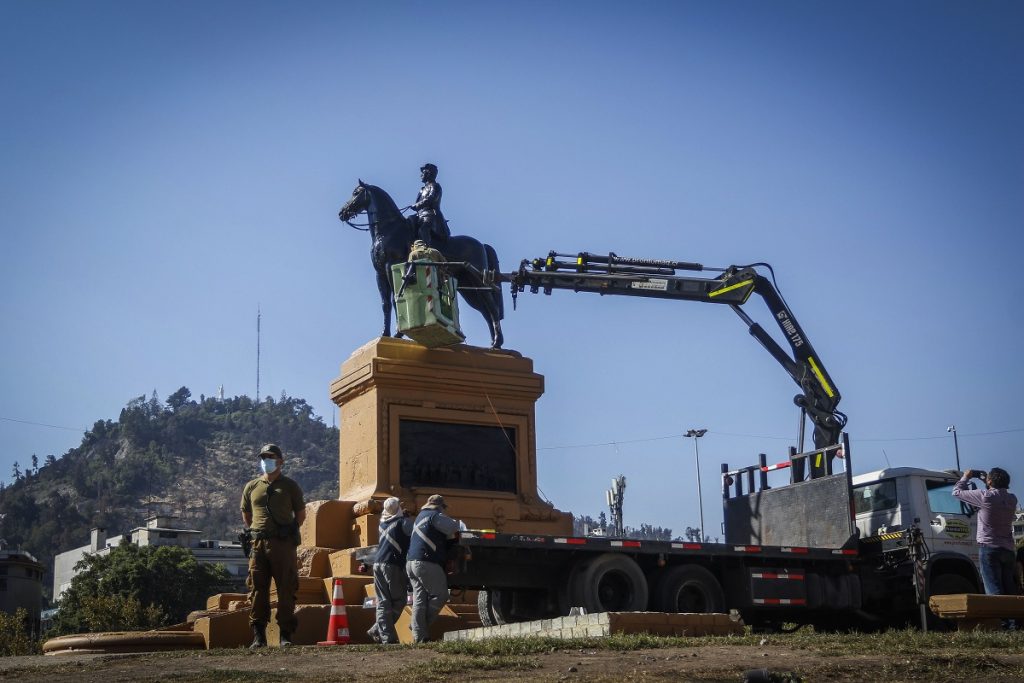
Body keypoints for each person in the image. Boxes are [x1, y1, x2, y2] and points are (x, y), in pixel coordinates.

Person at [240, 443, 306, 649]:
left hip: (282, 544)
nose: (266, 461)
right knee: (257, 589)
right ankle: (258, 636)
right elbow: (246, 515)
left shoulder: (290, 486)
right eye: (263, 457)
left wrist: (288, 530)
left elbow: (301, 515)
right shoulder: (251, 486)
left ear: (280, 461)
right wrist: (258, 531)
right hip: (257, 543)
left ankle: (285, 635)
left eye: (270, 457)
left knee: (285, 588)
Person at [952, 468, 1017, 595]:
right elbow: (996, 495)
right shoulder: (1012, 499)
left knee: (994, 590)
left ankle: (1000, 615)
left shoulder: (984, 496)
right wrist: (987, 482)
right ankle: (1012, 615)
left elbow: (956, 492)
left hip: (989, 549)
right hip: (1008, 550)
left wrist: (966, 477)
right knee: (1010, 590)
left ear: (990, 481)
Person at [405, 494, 461, 643]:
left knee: (419, 600)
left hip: (411, 563)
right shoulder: (435, 516)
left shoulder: (419, 517)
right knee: (441, 595)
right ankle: (418, 625)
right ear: (439, 507)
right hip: (426, 562)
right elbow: (454, 527)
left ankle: (419, 636)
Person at [368, 497, 413, 644]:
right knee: (399, 600)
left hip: (377, 563)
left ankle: (384, 635)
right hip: (392, 564)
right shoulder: (403, 523)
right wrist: (407, 517)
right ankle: (379, 631)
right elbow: (411, 535)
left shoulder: (382, 524)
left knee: (383, 601)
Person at [410, 163, 449, 247]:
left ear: (429, 174)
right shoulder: (422, 190)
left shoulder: (435, 186)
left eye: (423, 173)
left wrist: (417, 205)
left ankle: (426, 249)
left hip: (431, 214)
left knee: (424, 229)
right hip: (420, 215)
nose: (421, 175)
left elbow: (431, 198)